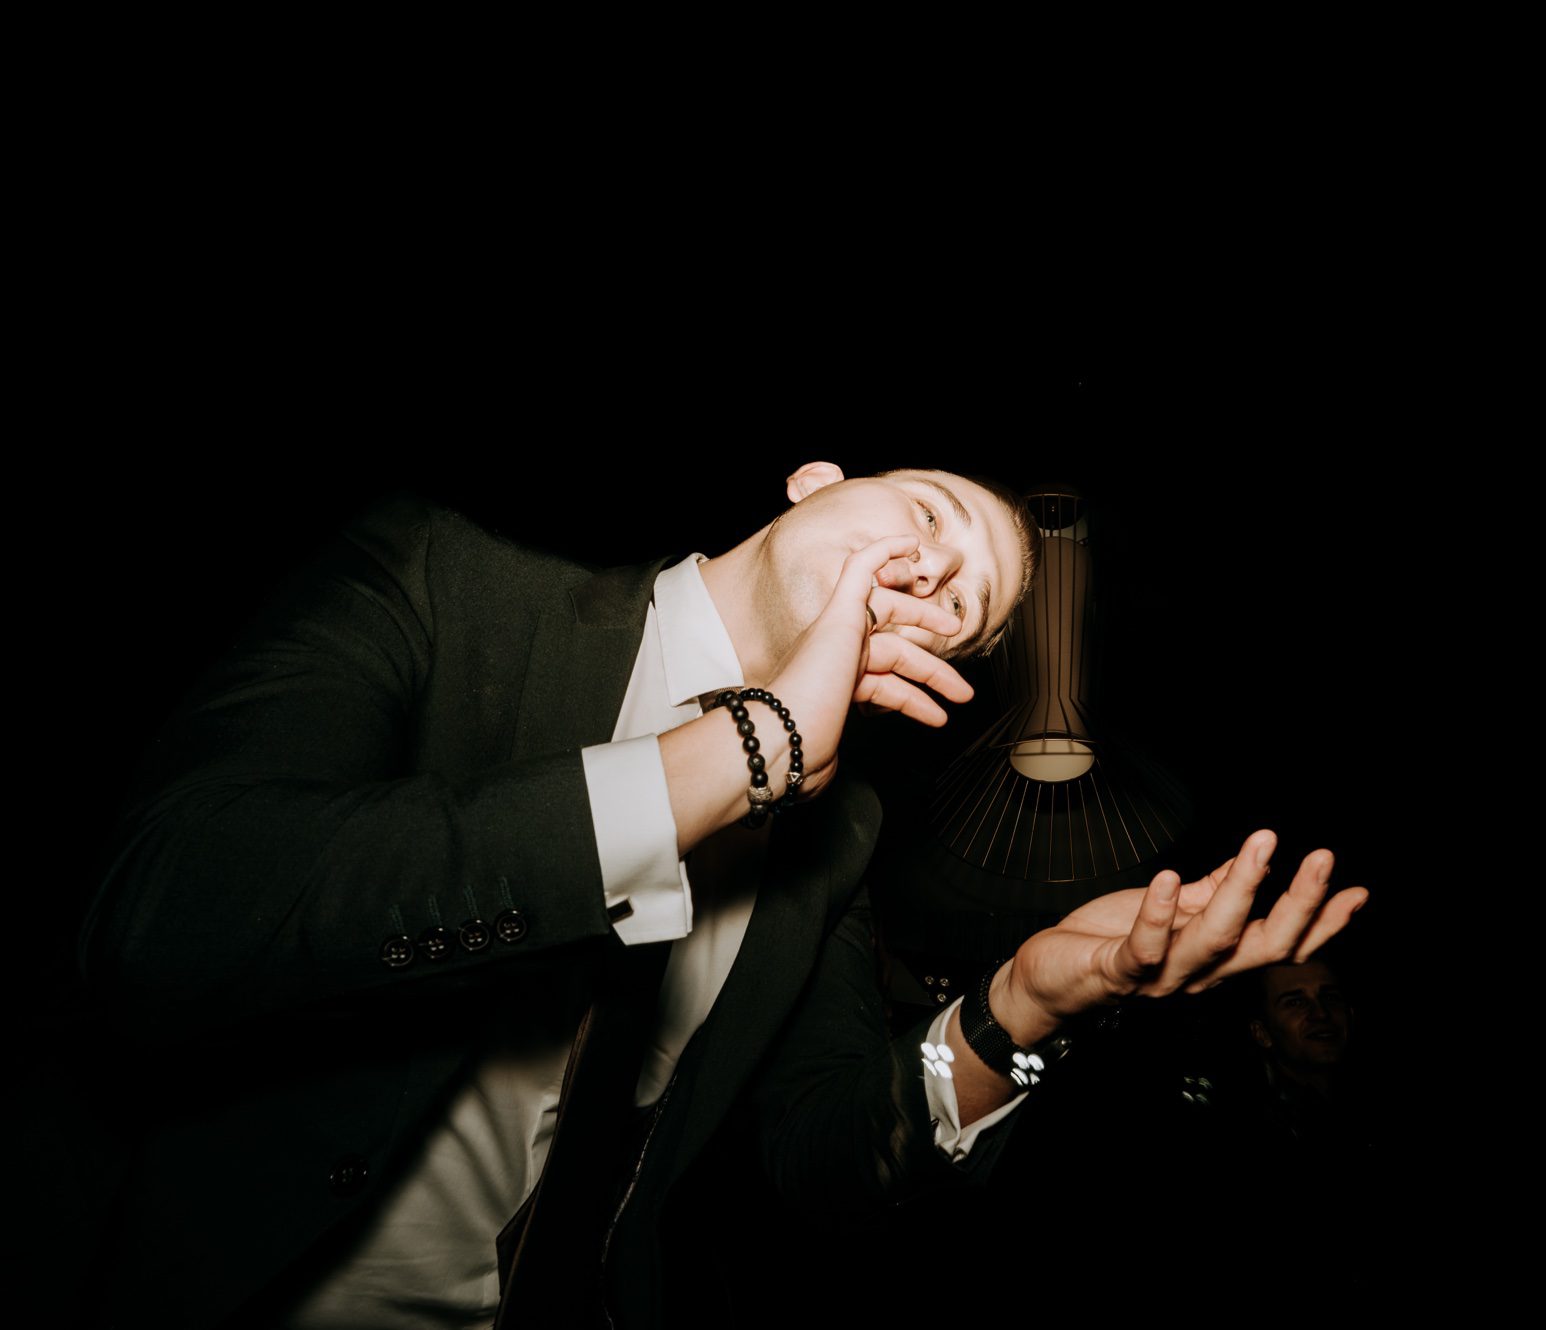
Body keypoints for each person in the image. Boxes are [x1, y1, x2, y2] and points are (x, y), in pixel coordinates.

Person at [68, 462, 1367, 1328]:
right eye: (927, 517)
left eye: (962, 608)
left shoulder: (837, 840)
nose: (931, 573)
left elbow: (818, 1161)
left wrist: (1025, 1011)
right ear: (817, 481)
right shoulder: (446, 581)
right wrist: (742, 754)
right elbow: (167, 919)